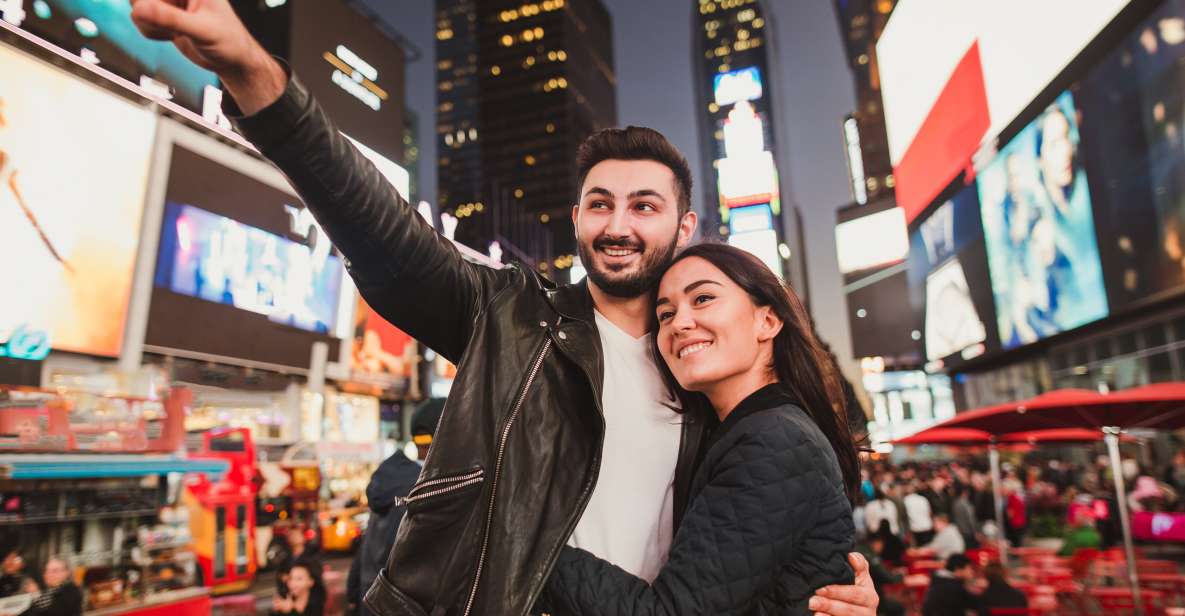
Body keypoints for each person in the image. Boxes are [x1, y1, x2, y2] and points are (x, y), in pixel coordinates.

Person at [127, 4, 879, 615]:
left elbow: (756, 535)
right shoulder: (509, 314)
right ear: (577, 219)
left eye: (644, 206)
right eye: (599, 204)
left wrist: (819, 594)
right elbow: (383, 232)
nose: (618, 225)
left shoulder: (710, 376)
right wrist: (257, 77)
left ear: (682, 228)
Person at [543, 243, 858, 613]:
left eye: (704, 298)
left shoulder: (772, 441)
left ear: (767, 321)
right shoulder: (745, 432)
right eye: (665, 315)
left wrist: (525, 553)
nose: (679, 323)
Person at [348, 401, 440, 616]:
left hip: (371, 600)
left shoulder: (387, 477)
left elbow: (366, 547)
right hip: (408, 606)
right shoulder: (428, 488)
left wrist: (353, 596)